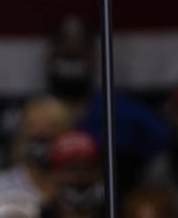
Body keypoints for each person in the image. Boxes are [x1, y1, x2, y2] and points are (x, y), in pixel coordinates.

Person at [45, 15, 168, 189]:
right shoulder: (34, 118)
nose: (71, 54)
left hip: (120, 209)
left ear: (94, 57)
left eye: (80, 49)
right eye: (63, 51)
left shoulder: (126, 113)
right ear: (49, 57)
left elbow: (165, 149)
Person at [0, 95, 72, 216]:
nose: (40, 133)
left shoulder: (78, 184)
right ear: (21, 134)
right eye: (32, 125)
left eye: (50, 125)